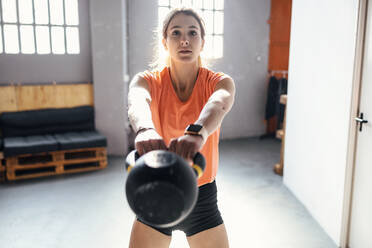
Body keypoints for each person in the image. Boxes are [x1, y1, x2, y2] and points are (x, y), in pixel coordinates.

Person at [127, 7, 235, 248]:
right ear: (165, 42)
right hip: (155, 188)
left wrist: (197, 132)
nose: (184, 39)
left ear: (202, 42)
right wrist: (145, 129)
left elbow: (219, 103)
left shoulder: (219, 82)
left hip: (202, 197)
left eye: (192, 33)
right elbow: (137, 101)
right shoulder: (147, 80)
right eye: (176, 33)